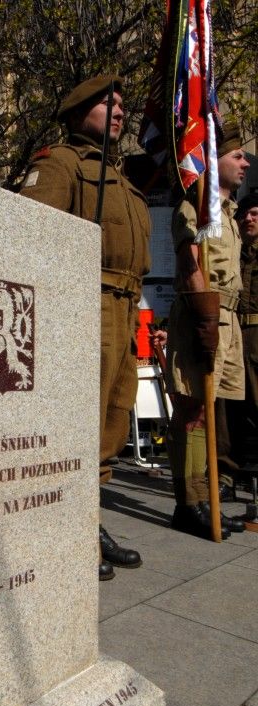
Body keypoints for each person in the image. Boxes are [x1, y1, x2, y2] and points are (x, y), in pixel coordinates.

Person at [20, 75, 151, 580]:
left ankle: (87, 522)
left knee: (111, 422)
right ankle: (66, 531)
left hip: (124, 308)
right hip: (84, 306)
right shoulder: (61, 164)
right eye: (105, 103)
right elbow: (31, 237)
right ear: (77, 113)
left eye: (121, 104)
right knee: (77, 423)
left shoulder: (126, 183)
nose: (118, 110)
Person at [165, 122, 250, 538]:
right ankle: (190, 503)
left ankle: (208, 499)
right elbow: (190, 265)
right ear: (214, 160)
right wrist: (203, 318)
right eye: (237, 156)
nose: (245, 162)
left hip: (226, 318)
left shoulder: (229, 215)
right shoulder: (195, 207)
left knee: (209, 409)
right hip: (203, 313)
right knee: (191, 411)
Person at [216, 191, 258, 495]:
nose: (248, 219)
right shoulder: (234, 249)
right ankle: (225, 475)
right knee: (227, 407)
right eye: (244, 214)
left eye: (255, 213)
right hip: (233, 331)